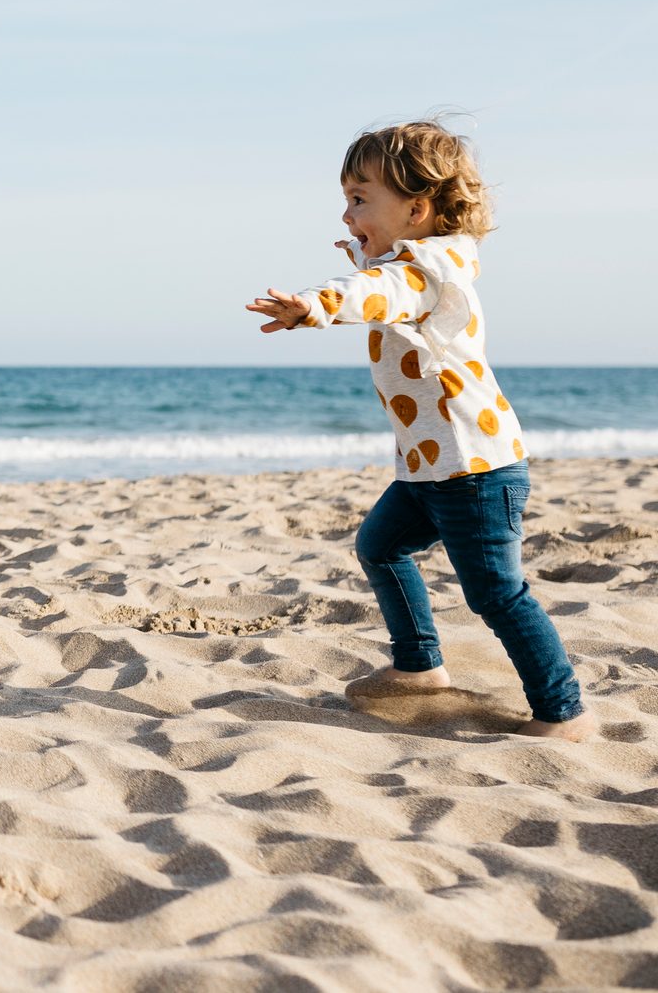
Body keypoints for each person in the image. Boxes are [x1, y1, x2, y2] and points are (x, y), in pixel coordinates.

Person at [244, 120, 596, 742]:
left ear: (417, 206)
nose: (347, 211)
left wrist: (315, 304)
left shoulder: (426, 270)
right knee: (380, 546)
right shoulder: (411, 261)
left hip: (474, 469)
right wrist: (357, 259)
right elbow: (378, 274)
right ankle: (418, 667)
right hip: (429, 467)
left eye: (360, 198)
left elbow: (380, 289)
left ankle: (564, 713)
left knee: (497, 596)